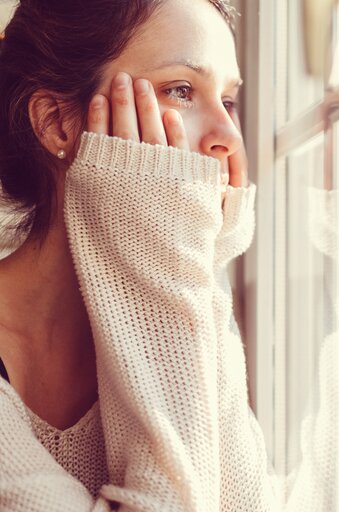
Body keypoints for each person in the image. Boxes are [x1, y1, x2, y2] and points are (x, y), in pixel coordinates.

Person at [0, 0, 279, 509]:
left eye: (229, 101)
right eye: (181, 91)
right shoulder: (164, 296)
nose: (228, 137)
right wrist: (167, 267)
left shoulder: (180, 303)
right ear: (57, 124)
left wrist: (193, 266)